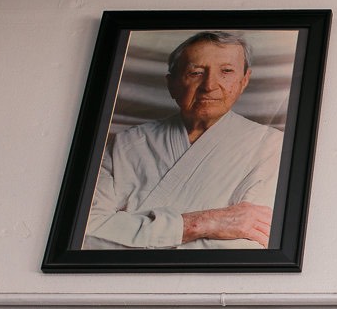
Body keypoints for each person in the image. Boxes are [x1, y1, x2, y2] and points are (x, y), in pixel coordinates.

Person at [83, 31, 283, 249]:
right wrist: (203, 224)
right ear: (172, 84)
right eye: (196, 72)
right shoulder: (126, 144)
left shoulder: (271, 146)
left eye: (226, 71)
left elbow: (248, 247)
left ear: (244, 80)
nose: (209, 85)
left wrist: (129, 233)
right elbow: (86, 233)